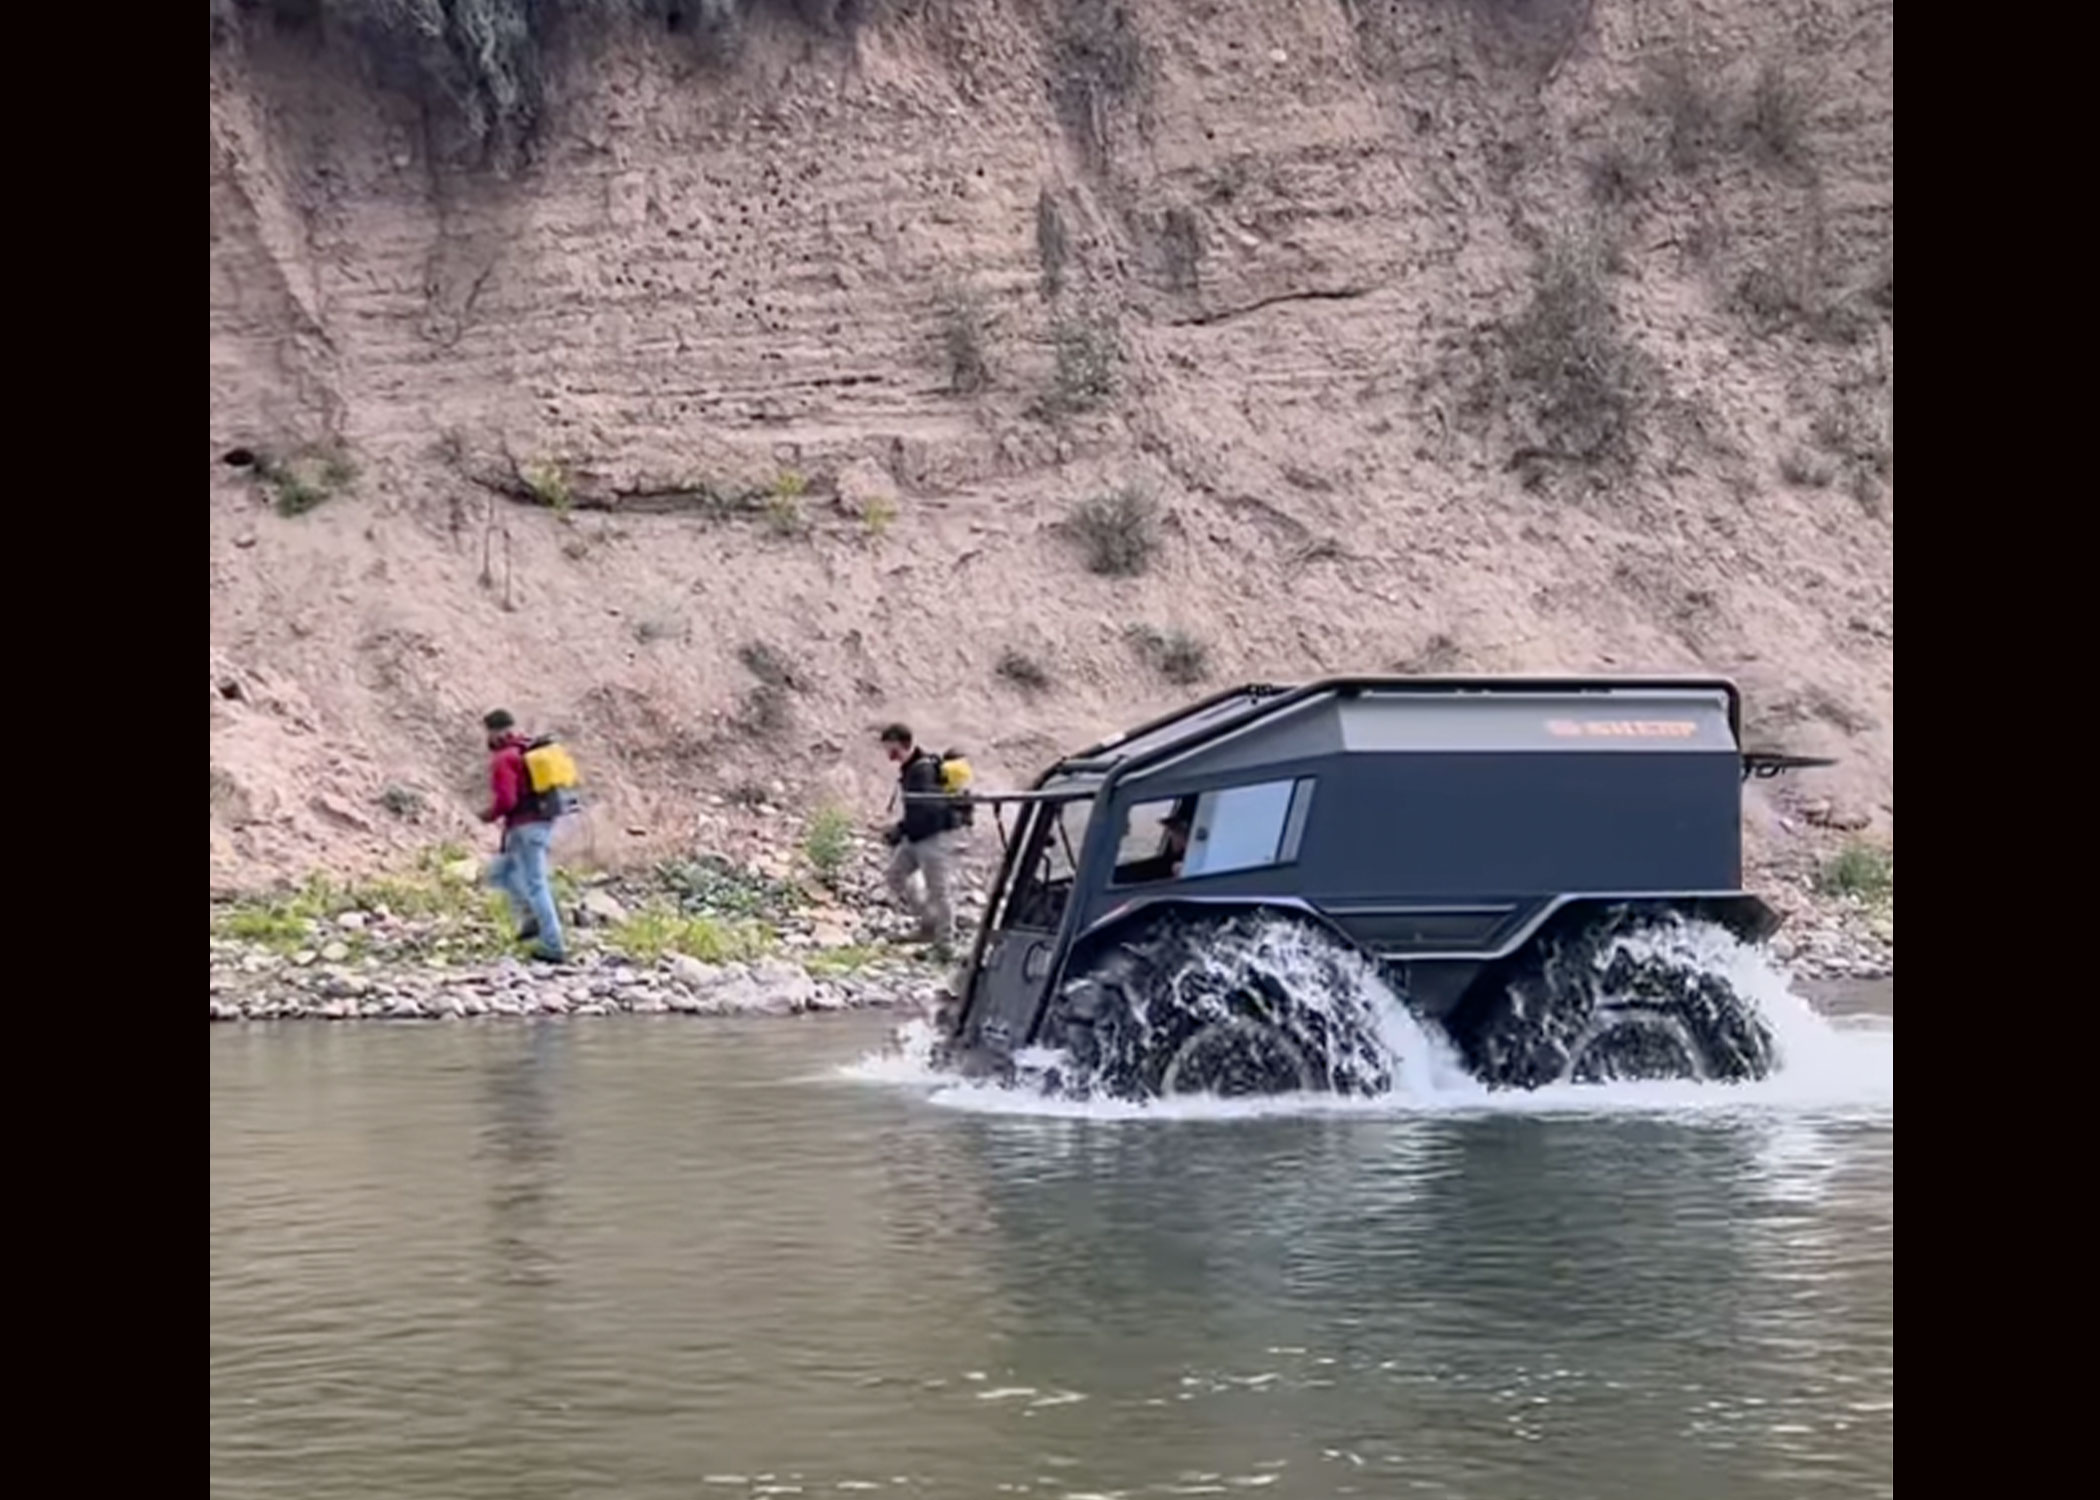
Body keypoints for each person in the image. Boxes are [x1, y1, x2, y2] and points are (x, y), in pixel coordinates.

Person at [480, 709, 567, 964]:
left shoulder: (504, 759)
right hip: (539, 823)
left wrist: (489, 814)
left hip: (525, 826)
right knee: (501, 873)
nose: (487, 737)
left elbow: (508, 800)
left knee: (535, 883)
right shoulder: (524, 749)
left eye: (488, 732)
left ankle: (553, 944)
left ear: (497, 731)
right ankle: (531, 917)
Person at [879, 723, 966, 956]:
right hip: (915, 837)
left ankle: (945, 944)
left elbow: (928, 810)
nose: (888, 752)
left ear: (900, 744)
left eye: (890, 747)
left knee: (939, 891)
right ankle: (928, 925)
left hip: (934, 838)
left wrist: (899, 829)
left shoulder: (922, 770)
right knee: (895, 876)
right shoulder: (910, 768)